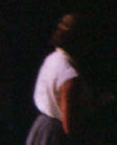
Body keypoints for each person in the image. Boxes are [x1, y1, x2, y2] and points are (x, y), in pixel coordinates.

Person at [26, 13, 89, 142]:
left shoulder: (53, 59)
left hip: (41, 128)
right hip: (54, 136)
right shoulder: (69, 74)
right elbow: (69, 126)